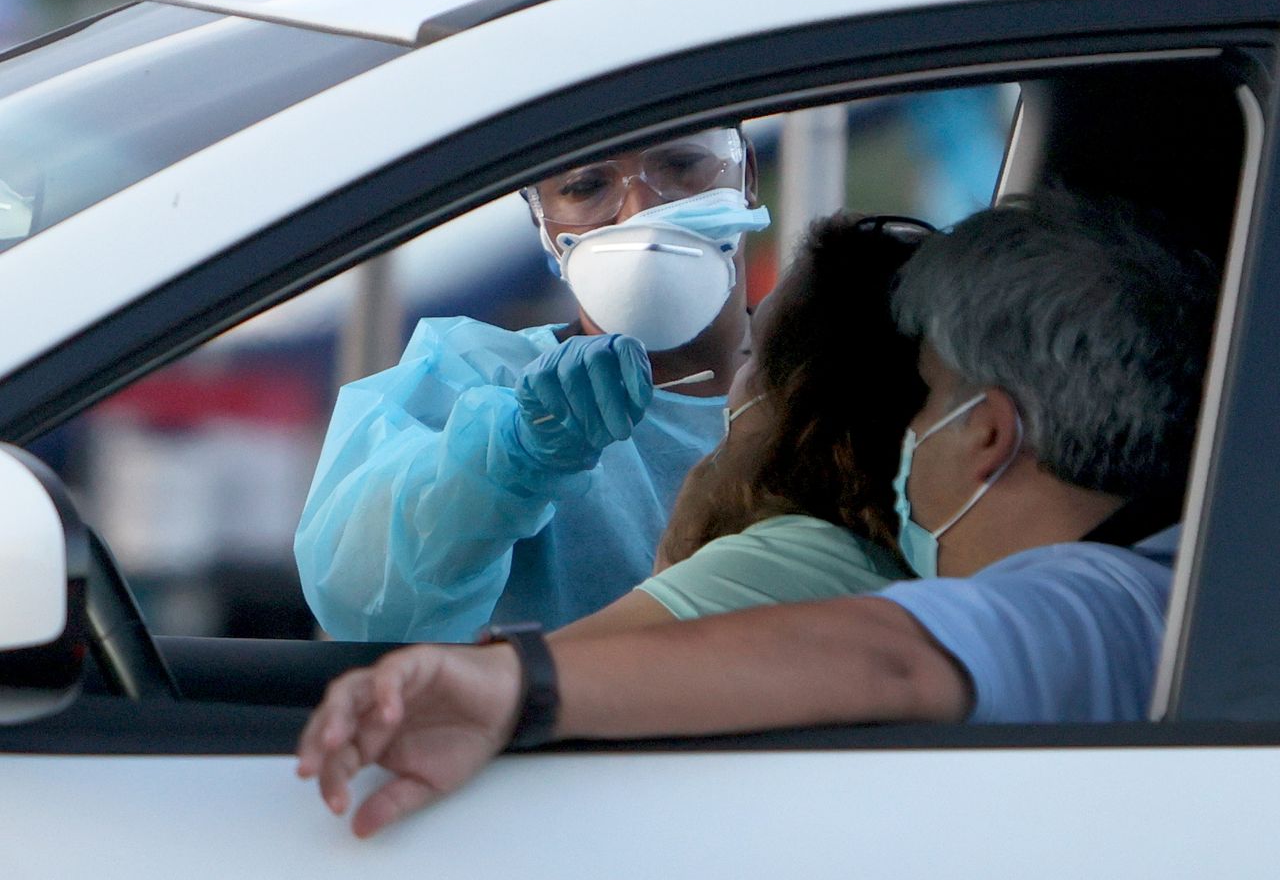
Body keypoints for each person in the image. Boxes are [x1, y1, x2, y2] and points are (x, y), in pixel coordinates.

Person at [296, 193, 1218, 839]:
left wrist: (515, 686)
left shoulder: (1108, 604)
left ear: (985, 436)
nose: (904, 438)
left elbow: (886, 654)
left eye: (926, 400)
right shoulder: (1191, 576)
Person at [294, 127, 770, 642]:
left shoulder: (833, 382)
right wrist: (505, 460)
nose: (639, 213)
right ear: (541, 223)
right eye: (588, 187)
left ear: (746, 177)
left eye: (680, 165)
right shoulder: (479, 386)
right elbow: (359, 601)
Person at [556, 213, 930, 639]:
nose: (736, 382)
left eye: (751, 355)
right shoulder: (903, 547)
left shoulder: (789, 557)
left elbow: (518, 685)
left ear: (798, 400)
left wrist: (678, 558)